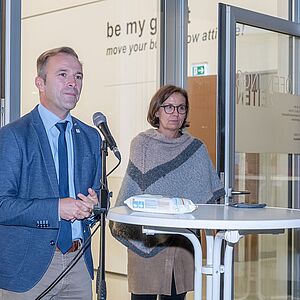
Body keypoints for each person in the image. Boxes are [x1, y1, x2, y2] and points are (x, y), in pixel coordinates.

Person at [0, 47, 102, 299]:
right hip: (27, 269)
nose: (72, 83)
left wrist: (94, 206)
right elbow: (2, 204)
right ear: (40, 83)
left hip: (79, 264)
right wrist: (56, 208)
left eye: (78, 76)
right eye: (63, 74)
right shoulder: (14, 135)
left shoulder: (90, 137)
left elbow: (98, 195)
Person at [110, 84, 225, 299]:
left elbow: (207, 197)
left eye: (181, 108)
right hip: (146, 237)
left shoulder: (195, 149)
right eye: (169, 107)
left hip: (182, 241)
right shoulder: (142, 145)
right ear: (156, 110)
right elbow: (135, 190)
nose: (175, 113)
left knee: (176, 296)